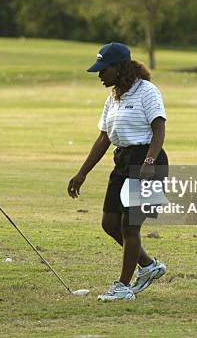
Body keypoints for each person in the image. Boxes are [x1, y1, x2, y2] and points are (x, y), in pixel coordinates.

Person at [68, 42, 168, 301]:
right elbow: (104, 139)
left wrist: (148, 162)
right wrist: (82, 173)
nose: (99, 75)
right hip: (123, 161)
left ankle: (123, 288)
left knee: (129, 226)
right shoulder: (113, 96)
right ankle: (148, 265)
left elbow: (159, 129)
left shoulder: (147, 92)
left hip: (148, 161)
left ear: (119, 67)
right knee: (109, 223)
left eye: (103, 70)